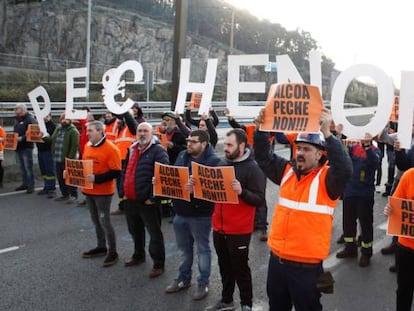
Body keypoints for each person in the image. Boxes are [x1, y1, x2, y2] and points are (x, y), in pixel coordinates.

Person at [254, 108, 352, 310]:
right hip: (277, 263)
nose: (300, 153)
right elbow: (263, 157)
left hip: (306, 270)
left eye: (307, 149)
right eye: (298, 148)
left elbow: (345, 170)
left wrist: (328, 135)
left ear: (319, 154)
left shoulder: (328, 179)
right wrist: (262, 129)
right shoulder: (287, 171)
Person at [210, 128, 266, 311]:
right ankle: (227, 300)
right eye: (225, 144)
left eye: (229, 145)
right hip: (219, 228)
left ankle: (246, 304)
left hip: (239, 230)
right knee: (224, 267)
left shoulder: (253, 169)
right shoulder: (220, 164)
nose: (225, 148)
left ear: (241, 146)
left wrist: (242, 192)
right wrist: (197, 188)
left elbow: (259, 199)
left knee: (241, 269)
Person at [164, 130, 221, 300]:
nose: (188, 144)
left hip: (200, 214)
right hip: (181, 211)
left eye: (193, 142)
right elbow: (174, 175)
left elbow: (215, 191)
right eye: (188, 140)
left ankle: (203, 283)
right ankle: (183, 278)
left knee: (203, 250)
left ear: (204, 144)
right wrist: (160, 180)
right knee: (184, 251)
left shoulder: (214, 162)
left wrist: (196, 189)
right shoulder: (182, 155)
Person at [121, 122, 169, 278]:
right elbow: (125, 171)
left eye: (145, 131)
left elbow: (163, 176)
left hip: (148, 202)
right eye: (139, 131)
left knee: (154, 233)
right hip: (131, 200)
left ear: (152, 133)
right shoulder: (132, 149)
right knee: (135, 230)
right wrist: (123, 192)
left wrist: (153, 198)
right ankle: (138, 255)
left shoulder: (158, 151)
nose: (142, 133)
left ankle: (158, 264)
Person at [336, 133, 381, 267]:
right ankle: (350, 248)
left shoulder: (375, 150)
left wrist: (367, 146)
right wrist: (337, 136)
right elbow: (340, 156)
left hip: (365, 193)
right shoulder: (352, 148)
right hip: (350, 191)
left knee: (365, 224)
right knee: (348, 222)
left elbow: (374, 162)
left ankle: (366, 252)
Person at [81, 121, 122, 267]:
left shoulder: (111, 149)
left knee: (105, 221)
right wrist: (71, 174)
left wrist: (97, 179)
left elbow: (116, 172)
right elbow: (84, 165)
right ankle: (101, 246)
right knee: (95, 220)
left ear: (100, 131)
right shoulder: (87, 146)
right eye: (87, 131)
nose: (88, 133)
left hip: (103, 192)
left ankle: (113, 251)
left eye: (90, 131)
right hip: (88, 190)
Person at [384, 167, 414, 310]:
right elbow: (394, 205)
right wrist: (388, 210)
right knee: (404, 291)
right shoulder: (409, 176)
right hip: (406, 247)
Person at [43, 113, 80, 203]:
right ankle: (65, 194)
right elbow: (52, 140)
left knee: (69, 178)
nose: (64, 121)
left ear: (70, 120)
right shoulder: (58, 128)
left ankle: (73, 195)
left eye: (67, 119)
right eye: (63, 119)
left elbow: (74, 146)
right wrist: (44, 137)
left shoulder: (73, 131)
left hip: (67, 159)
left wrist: (69, 160)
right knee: (60, 177)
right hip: (57, 157)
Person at [111, 111, 138, 215]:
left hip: (127, 160)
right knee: (120, 184)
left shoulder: (132, 127)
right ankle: (122, 205)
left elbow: (131, 122)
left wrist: (125, 111)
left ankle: (128, 206)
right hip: (119, 159)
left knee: (126, 184)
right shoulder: (121, 129)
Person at [13, 103, 36, 193]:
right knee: (22, 167)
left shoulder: (29, 119)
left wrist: (22, 138)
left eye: (16, 109)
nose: (15, 111)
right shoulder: (17, 119)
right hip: (18, 146)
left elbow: (32, 132)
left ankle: (31, 185)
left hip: (26, 146)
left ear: (22, 109)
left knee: (28, 167)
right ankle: (25, 183)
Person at [36, 114, 57, 198]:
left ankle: (52, 188)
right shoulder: (39, 126)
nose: (44, 118)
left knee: (50, 170)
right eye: (43, 116)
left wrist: (45, 135)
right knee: (43, 170)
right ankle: (46, 186)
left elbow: (52, 140)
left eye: (46, 116)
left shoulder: (53, 127)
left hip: (48, 151)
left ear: (50, 117)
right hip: (40, 150)